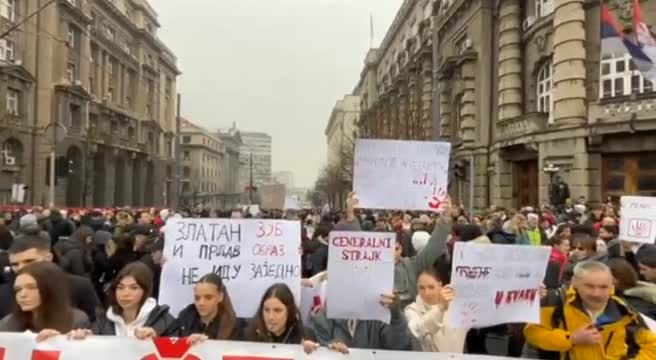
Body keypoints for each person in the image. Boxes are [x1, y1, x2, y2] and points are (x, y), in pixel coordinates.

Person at [524, 260, 656, 360]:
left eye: (603, 287)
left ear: (612, 285)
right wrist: (571, 339)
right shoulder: (554, 302)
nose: (596, 293)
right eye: (589, 286)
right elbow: (533, 334)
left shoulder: (623, 310)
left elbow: (652, 345)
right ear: (574, 283)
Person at [0, 235, 100, 321]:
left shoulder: (79, 285)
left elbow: (98, 322)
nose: (21, 268)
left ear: (48, 258)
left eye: (29, 261)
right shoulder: (4, 292)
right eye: (15, 264)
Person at [0, 262, 89, 340]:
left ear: (51, 288)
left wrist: (60, 340)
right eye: (18, 289)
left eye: (31, 287)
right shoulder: (8, 323)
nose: (22, 295)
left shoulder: (77, 319)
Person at [91, 262, 176, 338]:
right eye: (120, 287)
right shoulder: (103, 322)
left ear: (146, 291)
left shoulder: (164, 321)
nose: (125, 293)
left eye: (134, 288)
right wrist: (86, 338)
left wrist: (156, 340)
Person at [404, 268, 467, 353]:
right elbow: (417, 330)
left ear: (440, 286)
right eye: (421, 288)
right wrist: (440, 308)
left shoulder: (458, 306)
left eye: (431, 287)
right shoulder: (412, 309)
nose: (427, 293)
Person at [244, 283, 319, 354]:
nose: (271, 317)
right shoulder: (250, 335)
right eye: (266, 310)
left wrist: (309, 354)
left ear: (289, 311)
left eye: (277, 310)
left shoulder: (306, 336)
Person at [175, 273, 242, 342]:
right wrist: (186, 342)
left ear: (220, 297)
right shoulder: (184, 320)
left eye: (208, 297)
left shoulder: (234, 327)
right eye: (197, 298)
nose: (201, 303)